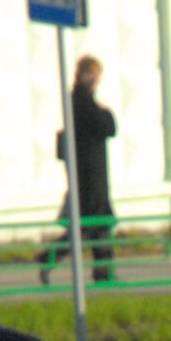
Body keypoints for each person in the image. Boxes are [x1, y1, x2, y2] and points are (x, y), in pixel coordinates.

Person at [38, 53, 117, 284]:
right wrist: (106, 111)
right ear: (83, 75)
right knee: (94, 224)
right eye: (92, 74)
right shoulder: (82, 101)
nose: (96, 80)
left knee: (90, 226)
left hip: (89, 173)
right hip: (90, 175)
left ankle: (99, 272)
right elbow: (108, 127)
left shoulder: (81, 100)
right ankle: (101, 273)